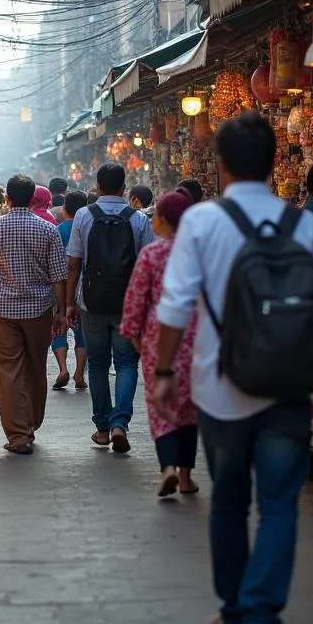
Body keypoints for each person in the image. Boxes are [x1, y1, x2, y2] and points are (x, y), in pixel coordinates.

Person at [153, 113, 313, 624]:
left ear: (222, 162)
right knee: (279, 505)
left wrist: (164, 372)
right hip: (288, 389)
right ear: (272, 160)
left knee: (230, 502)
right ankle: (262, 623)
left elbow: (175, 304)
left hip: (220, 390)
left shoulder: (204, 222)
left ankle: (234, 615)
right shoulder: (302, 223)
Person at [0, 175, 68, 455]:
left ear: (8, 200)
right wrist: (61, 311)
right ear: (34, 199)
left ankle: (19, 434)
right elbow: (59, 276)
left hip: (3, 310)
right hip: (39, 310)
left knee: (8, 372)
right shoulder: (47, 229)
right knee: (36, 366)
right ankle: (31, 423)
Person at [66, 163, 153, 453]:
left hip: (91, 301)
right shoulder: (139, 219)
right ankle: (119, 424)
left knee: (99, 363)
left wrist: (69, 303)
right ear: (124, 187)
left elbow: (74, 262)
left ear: (99, 186)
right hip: (128, 302)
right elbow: (146, 266)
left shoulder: (83, 215)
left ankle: (102, 428)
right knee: (127, 363)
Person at [120, 189, 199, 498]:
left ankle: (167, 467)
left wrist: (133, 334)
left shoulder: (151, 255)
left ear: (164, 220)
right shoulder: (201, 252)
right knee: (189, 409)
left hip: (157, 339)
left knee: (160, 406)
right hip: (197, 339)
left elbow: (136, 300)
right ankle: (186, 477)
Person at [51, 190, 89, 390]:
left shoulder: (57, 230)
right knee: (83, 331)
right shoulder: (88, 228)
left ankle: (63, 369)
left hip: (60, 286)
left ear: (65, 209)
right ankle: (79, 372)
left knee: (59, 328)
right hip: (84, 288)